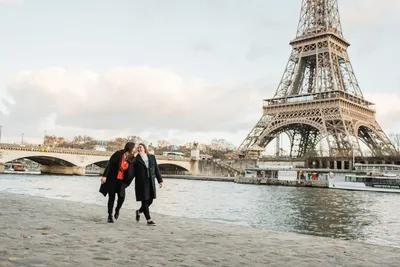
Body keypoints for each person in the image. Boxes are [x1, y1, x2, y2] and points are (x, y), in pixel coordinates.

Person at [99, 142, 135, 223]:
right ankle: (110, 215)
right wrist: (104, 176)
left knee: (121, 197)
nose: (134, 150)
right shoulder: (118, 154)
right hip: (112, 179)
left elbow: (132, 171)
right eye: (134, 148)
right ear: (130, 148)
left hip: (122, 181)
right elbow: (110, 165)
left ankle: (117, 209)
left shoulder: (132, 158)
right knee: (111, 197)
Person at [134, 143, 163, 225]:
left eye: (140, 147)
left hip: (151, 181)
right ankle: (149, 220)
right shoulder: (136, 159)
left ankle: (139, 211)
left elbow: (156, 169)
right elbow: (133, 171)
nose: (139, 149)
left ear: (144, 148)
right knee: (145, 200)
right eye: (138, 147)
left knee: (150, 200)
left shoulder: (152, 157)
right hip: (141, 182)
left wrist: (160, 180)